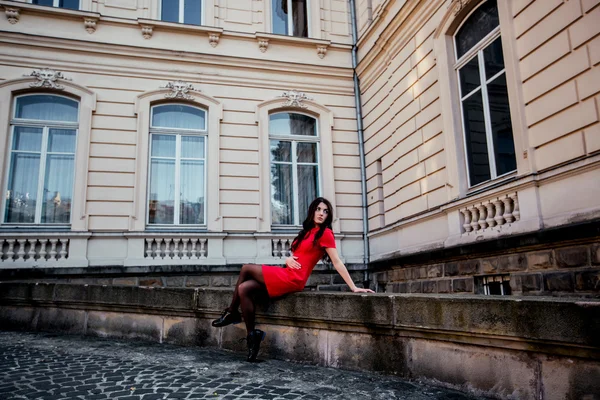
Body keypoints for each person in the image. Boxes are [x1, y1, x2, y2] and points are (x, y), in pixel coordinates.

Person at [211, 197, 374, 362]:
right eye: (318, 209)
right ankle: (252, 337)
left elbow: (337, 261)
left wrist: (354, 287)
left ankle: (231, 312)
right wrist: (288, 259)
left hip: (294, 278)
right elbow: (297, 256)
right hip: (286, 273)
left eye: (325, 211)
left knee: (246, 268)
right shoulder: (306, 232)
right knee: (244, 289)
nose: (321, 214)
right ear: (312, 211)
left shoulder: (325, 233)